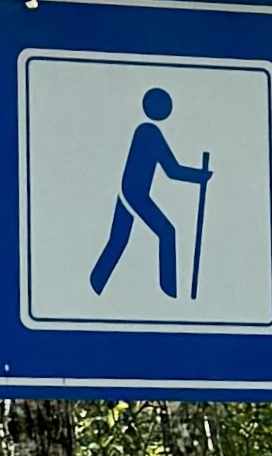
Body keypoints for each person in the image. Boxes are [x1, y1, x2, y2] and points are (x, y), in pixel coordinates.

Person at [89, 87, 211, 298]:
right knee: (166, 232)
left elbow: (171, 170)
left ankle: (95, 285)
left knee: (118, 240)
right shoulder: (149, 133)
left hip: (129, 193)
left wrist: (200, 176)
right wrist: (200, 176)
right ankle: (169, 291)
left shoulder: (146, 132)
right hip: (134, 195)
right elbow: (172, 170)